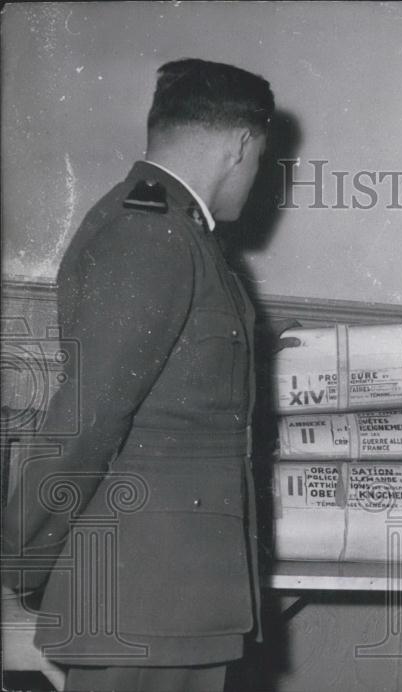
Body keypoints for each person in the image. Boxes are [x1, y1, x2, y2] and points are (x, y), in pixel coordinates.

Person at [1, 58, 274, 691]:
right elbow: (87, 417)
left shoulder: (175, 230)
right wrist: (17, 562)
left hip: (170, 601)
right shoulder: (150, 236)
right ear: (241, 145)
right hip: (142, 600)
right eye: (260, 159)